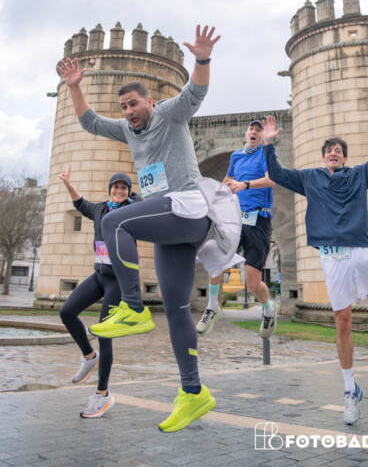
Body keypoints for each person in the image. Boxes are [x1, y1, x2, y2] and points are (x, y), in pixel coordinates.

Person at [57, 25, 240, 433]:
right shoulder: (125, 129)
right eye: (123, 106)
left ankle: (134, 307)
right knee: (177, 310)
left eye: (134, 104)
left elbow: (196, 91)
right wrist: (74, 86)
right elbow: (90, 123)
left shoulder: (170, 114)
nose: (128, 111)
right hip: (171, 228)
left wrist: (203, 58)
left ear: (150, 102)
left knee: (113, 219)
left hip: (188, 207)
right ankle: (193, 393)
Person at [262, 98, 368, 426]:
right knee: (342, 321)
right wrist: (269, 144)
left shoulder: (360, 174)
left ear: (344, 158)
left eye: (339, 150)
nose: (334, 153)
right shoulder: (309, 178)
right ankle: (349, 390)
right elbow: (276, 173)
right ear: (323, 157)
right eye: (329, 150)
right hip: (333, 255)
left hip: (363, 249)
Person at [58, 165, 140, 418]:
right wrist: (68, 184)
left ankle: (102, 395)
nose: (119, 191)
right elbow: (80, 204)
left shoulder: (132, 211)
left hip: (118, 282)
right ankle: (89, 356)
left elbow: (146, 207)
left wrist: (136, 198)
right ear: (110, 189)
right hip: (99, 276)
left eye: (124, 188)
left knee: (104, 334)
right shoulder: (100, 209)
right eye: (116, 187)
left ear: (128, 191)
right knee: (66, 312)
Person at [196, 119, 277, 338]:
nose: (254, 132)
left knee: (252, 282)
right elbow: (228, 179)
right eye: (251, 129)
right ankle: (212, 307)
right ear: (246, 133)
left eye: (258, 130)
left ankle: (268, 309)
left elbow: (271, 180)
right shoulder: (236, 156)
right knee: (214, 258)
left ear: (262, 136)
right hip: (235, 218)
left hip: (259, 220)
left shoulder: (266, 153)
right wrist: (219, 191)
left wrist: (245, 185)